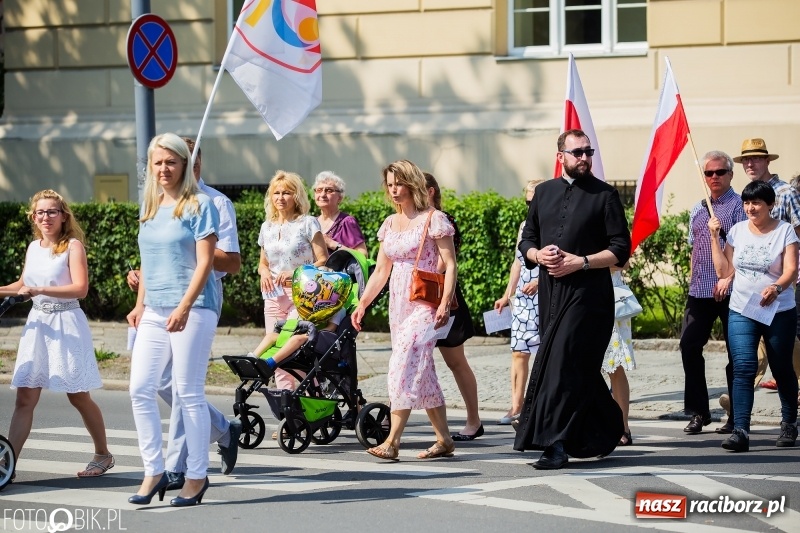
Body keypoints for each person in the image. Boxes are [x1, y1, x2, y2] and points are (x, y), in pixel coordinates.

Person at [126, 137, 243, 488]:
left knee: (184, 388)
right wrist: (141, 296)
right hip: (156, 302)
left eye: (175, 162)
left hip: (198, 299)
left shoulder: (215, 204)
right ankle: (221, 428)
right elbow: (151, 255)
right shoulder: (152, 205)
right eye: (158, 162)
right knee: (154, 384)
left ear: (194, 164)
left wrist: (192, 245)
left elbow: (231, 262)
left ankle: (181, 469)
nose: (166, 169)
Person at [514, 129, 631, 470]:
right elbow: (528, 240)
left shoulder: (605, 195)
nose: (584, 157)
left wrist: (579, 261)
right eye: (577, 152)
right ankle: (603, 426)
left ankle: (556, 443)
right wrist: (538, 255)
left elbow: (620, 249)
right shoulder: (544, 192)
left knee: (562, 362)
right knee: (568, 365)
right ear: (561, 156)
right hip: (551, 291)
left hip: (589, 295)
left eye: (588, 151)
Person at [0, 190, 113, 479]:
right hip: (38, 323)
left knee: (78, 396)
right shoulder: (33, 247)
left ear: (64, 216)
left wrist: (39, 290)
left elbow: (80, 289)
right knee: (25, 398)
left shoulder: (73, 246)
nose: (46, 217)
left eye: (52, 212)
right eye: (40, 213)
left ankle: (103, 454)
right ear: (33, 217)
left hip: (66, 323)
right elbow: (23, 283)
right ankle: (7, 466)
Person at [351, 159, 457, 461]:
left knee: (401, 363)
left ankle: (392, 441)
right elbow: (381, 270)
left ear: (411, 184)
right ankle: (444, 439)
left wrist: (445, 301)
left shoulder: (433, 219)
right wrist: (363, 303)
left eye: (398, 183)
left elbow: (450, 264)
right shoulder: (389, 223)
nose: (393, 189)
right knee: (421, 370)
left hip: (425, 302)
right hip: (398, 303)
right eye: (389, 184)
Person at [708, 180, 799, 451]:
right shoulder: (736, 232)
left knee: (781, 367)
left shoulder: (784, 232)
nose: (750, 207)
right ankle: (741, 430)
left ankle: (789, 423)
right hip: (742, 309)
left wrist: (776, 287)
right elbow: (724, 272)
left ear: (770, 205)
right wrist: (715, 237)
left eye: (756, 202)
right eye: (747, 202)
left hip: (778, 310)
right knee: (744, 367)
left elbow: (791, 270)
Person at [680, 151, 745, 435]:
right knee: (689, 345)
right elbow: (695, 248)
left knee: (736, 353)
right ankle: (699, 412)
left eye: (720, 172)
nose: (714, 177)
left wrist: (729, 277)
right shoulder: (698, 208)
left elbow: (745, 252)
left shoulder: (740, 206)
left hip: (731, 289)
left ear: (731, 174)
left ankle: (736, 415)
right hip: (700, 290)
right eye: (709, 173)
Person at [735, 138, 800, 393]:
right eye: (746, 160)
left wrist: (791, 275)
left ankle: (743, 394)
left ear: (767, 161)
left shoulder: (785, 193)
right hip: (757, 281)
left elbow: (798, 232)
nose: (750, 163)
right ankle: (742, 394)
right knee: (764, 340)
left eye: (756, 158)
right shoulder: (751, 195)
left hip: (784, 281)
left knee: (781, 342)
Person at [423, 172, 482, 440]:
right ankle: (394, 420)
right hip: (417, 299)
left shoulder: (443, 220)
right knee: (408, 358)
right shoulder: (407, 219)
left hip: (442, 298)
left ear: (431, 191)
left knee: (456, 361)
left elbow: (445, 261)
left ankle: (474, 420)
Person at [258, 171, 328, 394]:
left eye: (286, 192)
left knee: (293, 348)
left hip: (301, 295)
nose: (280, 197)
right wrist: (264, 273)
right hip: (272, 297)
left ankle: (314, 397)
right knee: (277, 350)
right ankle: (286, 409)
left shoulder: (308, 223)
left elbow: (323, 260)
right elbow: (262, 263)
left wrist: (296, 272)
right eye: (276, 193)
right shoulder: (266, 227)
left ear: (296, 196)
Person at [494, 180, 543, 426]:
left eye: (533, 200)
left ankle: (539, 406)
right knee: (518, 353)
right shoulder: (525, 226)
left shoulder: (554, 224)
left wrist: (540, 283)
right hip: (523, 299)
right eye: (527, 200)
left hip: (546, 298)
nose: (530, 204)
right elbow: (517, 262)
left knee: (544, 355)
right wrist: (507, 294)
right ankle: (516, 405)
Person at [248, 308, 348, 369]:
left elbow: (331, 328)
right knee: (271, 336)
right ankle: (252, 358)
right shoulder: (310, 304)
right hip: (301, 333)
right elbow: (291, 321)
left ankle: (270, 362)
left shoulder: (338, 309)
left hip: (319, 339)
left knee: (296, 339)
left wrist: (312, 333)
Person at [603, 266, 636, 445]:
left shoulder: (614, 236)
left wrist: (588, 262)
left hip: (612, 298)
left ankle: (623, 427)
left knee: (614, 365)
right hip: (583, 297)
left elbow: (623, 262)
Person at [313, 171, 369, 256]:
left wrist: (332, 244)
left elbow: (363, 254)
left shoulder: (346, 222)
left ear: (339, 197)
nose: (323, 194)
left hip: (338, 269)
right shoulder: (312, 222)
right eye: (319, 190)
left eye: (329, 190)